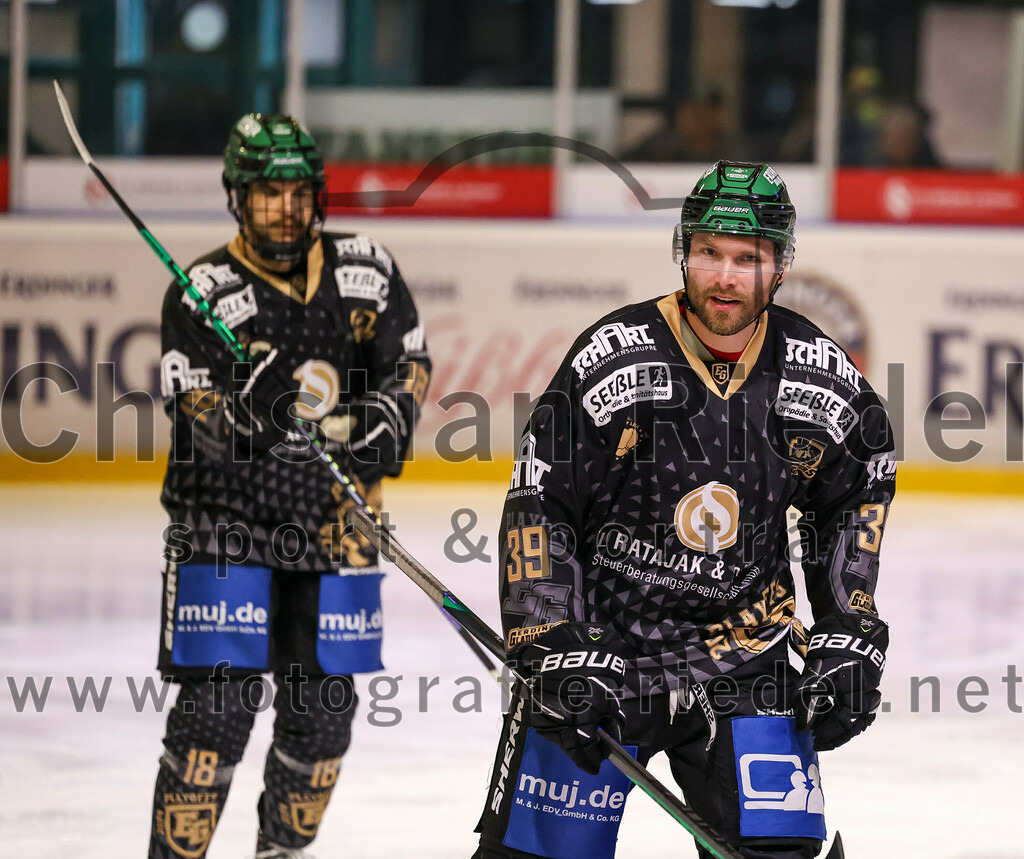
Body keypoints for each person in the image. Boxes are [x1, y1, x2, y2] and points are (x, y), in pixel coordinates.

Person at [473, 161, 895, 858]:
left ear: (781, 265)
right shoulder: (612, 360)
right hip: (605, 652)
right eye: (708, 253)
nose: (724, 277)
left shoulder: (820, 378)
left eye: (747, 259)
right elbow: (541, 501)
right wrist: (550, 638)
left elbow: (856, 492)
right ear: (683, 251)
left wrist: (849, 628)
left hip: (746, 653)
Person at [149, 113, 430, 858]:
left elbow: (407, 364)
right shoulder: (201, 293)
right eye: (268, 193)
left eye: (299, 191)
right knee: (215, 712)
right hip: (225, 525)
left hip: (338, 523)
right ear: (237, 197)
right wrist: (250, 415)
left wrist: (383, 421)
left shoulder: (366, 269)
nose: (286, 207)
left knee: (324, 718)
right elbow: (196, 417)